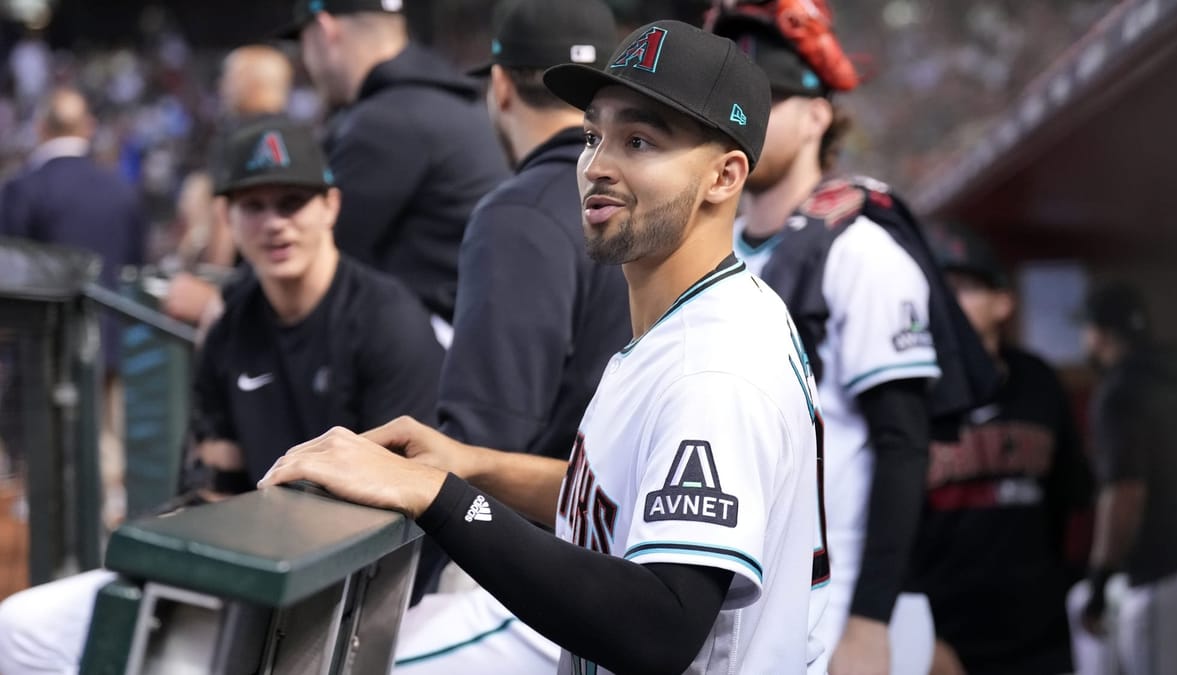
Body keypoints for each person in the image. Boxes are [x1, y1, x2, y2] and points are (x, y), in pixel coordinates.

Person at [263, 20, 827, 673]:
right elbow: (622, 496)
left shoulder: (717, 366)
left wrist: (438, 494)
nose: (597, 166)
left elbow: (661, 625)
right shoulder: (696, 317)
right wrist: (475, 464)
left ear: (725, 176)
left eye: (639, 141)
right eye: (593, 135)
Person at [0, 119, 446, 675]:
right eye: (253, 205)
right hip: (252, 567)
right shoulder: (232, 325)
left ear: (330, 206)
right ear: (228, 219)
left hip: (375, 589)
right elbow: (213, 488)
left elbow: (407, 512)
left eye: (292, 202)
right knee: (21, 626)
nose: (274, 223)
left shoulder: (387, 320)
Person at [705, 4, 997, 674]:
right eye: (730, 98)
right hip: (743, 591)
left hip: (837, 599)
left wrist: (870, 622)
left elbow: (903, 445)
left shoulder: (861, 250)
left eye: (767, 99)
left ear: (818, 116)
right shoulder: (711, 250)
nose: (741, 115)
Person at [390, 0, 628, 669]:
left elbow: (479, 441)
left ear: (499, 86)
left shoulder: (519, 211)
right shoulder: (642, 208)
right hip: (641, 562)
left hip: (542, 573)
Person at [912, 225, 1093, 675]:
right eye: (941, 288)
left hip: (1040, 636)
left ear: (1003, 302)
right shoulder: (909, 392)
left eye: (967, 287)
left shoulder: (1039, 382)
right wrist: (918, 635)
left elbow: (1072, 496)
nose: (951, 301)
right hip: (944, 639)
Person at [281, 0, 510, 325]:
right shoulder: (445, 101)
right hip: (475, 334)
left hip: (444, 346)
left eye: (302, 42)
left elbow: (309, 264)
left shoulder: (385, 121)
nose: (305, 61)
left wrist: (218, 303)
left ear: (324, 30)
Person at [0, 86, 147, 527]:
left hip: (43, 349)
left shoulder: (23, 189)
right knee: (106, 447)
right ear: (87, 128)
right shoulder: (120, 187)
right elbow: (137, 266)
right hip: (114, 340)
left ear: (42, 127)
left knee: (46, 451)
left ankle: (46, 530)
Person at [1066, 282, 1177, 675]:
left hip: (1162, 573)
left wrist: (1099, 579)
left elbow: (1125, 493)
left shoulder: (1120, 392)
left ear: (1100, 334)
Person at [163, 44, 295, 327]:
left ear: (249, 83)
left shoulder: (237, 137)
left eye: (229, 78)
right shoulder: (298, 136)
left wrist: (212, 285)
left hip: (244, 284)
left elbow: (225, 216)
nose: (222, 86)